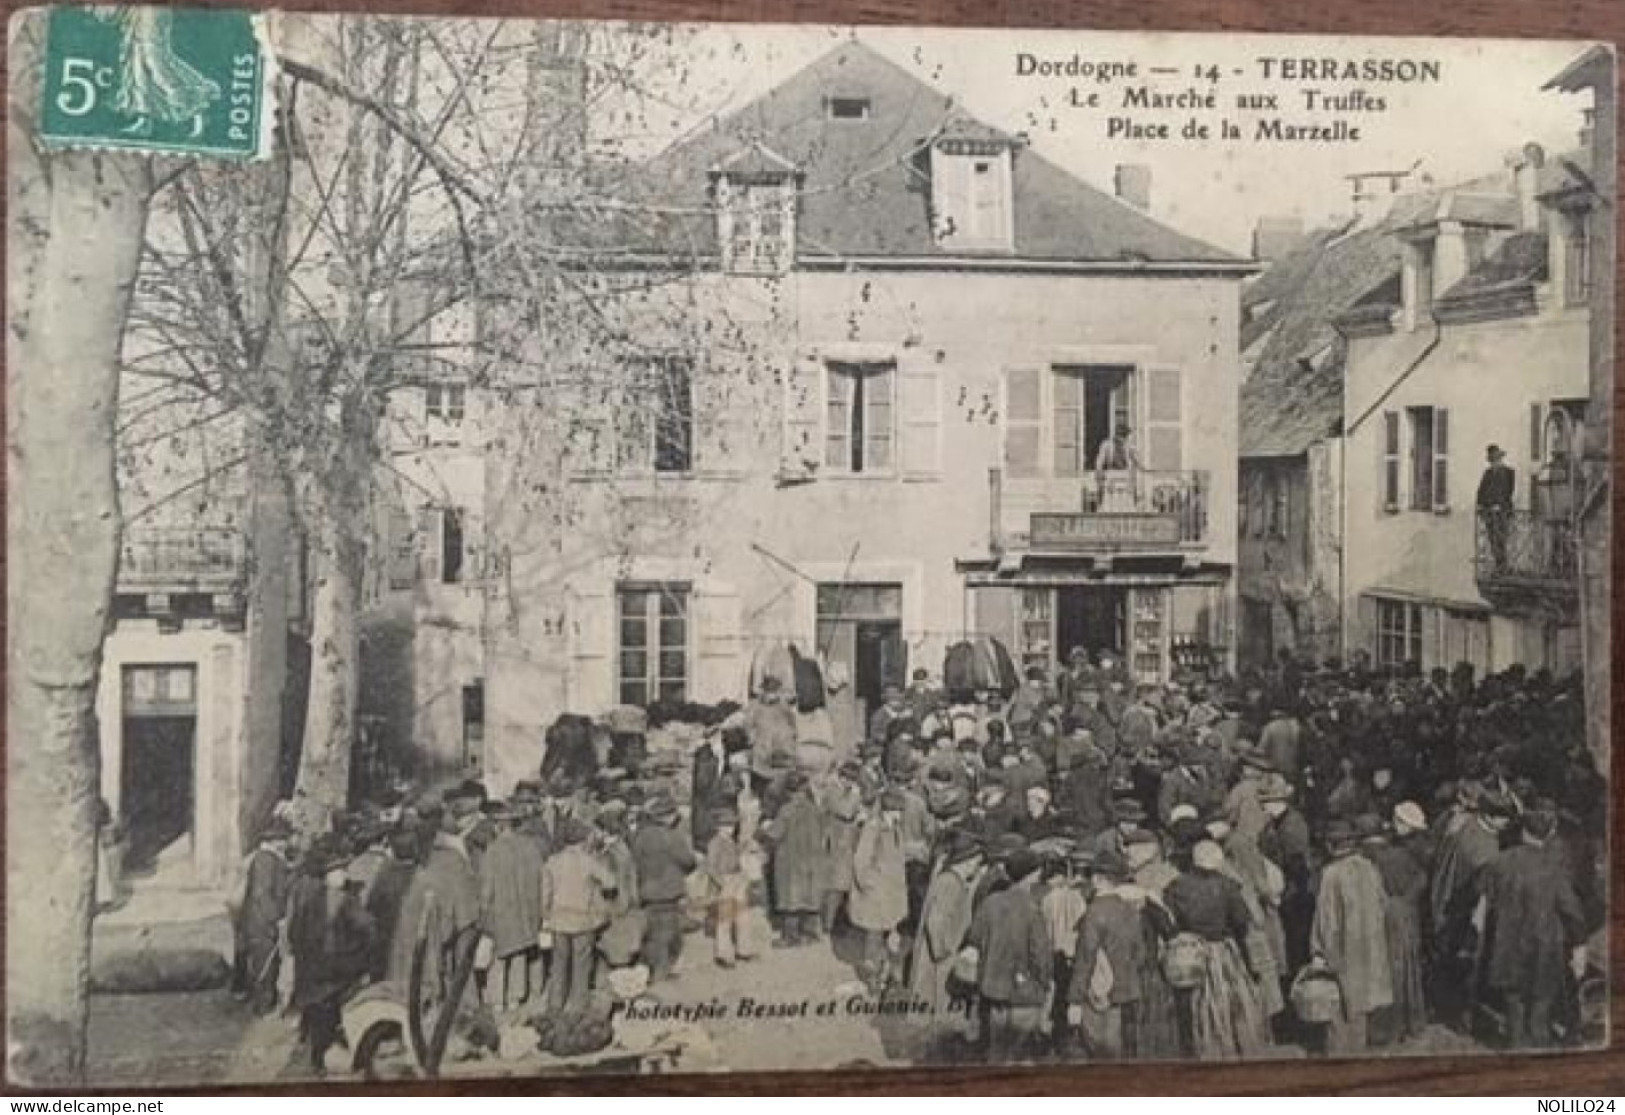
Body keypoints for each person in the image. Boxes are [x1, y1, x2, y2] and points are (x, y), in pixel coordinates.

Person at [1478, 808, 1587, 1049]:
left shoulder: (1499, 862)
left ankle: (1515, 1049)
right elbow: (1572, 910)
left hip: (1507, 946)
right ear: (1549, 834)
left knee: (1513, 1003)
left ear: (1523, 831)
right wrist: (1580, 944)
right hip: (1544, 948)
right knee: (1541, 1005)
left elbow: (1485, 902)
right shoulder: (1554, 868)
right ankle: (1538, 1054)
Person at [1164, 840, 1269, 1061]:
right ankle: (1227, 1048)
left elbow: (1170, 922)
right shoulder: (1228, 886)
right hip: (1221, 952)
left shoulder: (1176, 887)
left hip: (1190, 953)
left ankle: (1202, 1048)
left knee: (1195, 1004)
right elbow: (1241, 921)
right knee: (1230, 1006)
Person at [285, 839, 373, 1076]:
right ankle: (329, 1059)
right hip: (335, 972)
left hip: (313, 971)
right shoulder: (345, 900)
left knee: (317, 1018)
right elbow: (367, 928)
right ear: (329, 875)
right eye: (340, 871)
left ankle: (317, 1059)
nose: (344, 874)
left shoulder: (308, 900)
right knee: (333, 1015)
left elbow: (294, 933)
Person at [1309, 818, 1393, 1056]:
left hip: (1342, 949)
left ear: (1330, 845)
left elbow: (1327, 920)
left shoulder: (1331, 874)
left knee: (1340, 1009)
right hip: (1370, 947)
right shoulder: (1369, 868)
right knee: (1362, 1005)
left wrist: (1319, 951)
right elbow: (1383, 904)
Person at [967, 846, 1053, 1061]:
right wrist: (1044, 983)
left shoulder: (990, 903)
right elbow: (1041, 955)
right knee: (1021, 1054)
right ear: (1032, 875)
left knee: (996, 1050)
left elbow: (974, 940)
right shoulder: (1033, 909)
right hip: (1024, 993)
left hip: (993, 989)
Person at [1360, 810, 1429, 1045]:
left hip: (1382, 917)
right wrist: (1408, 900)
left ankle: (1386, 1028)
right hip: (1406, 916)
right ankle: (1411, 1023)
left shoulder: (1366, 858)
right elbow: (1422, 879)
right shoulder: (1401, 855)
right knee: (1407, 970)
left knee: (1385, 971)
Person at [1067, 851, 1144, 1059]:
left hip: (1099, 993)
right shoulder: (1130, 910)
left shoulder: (1093, 912)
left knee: (1098, 1051)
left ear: (1097, 879)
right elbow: (1141, 953)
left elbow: (1086, 957)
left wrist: (1074, 999)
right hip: (1128, 989)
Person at [540, 818, 617, 1019]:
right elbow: (610, 882)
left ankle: (554, 1005)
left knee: (558, 964)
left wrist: (547, 915)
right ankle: (577, 1006)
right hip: (583, 920)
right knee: (582, 965)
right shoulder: (588, 861)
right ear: (582, 839)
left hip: (559, 920)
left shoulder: (552, 861)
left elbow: (545, 893)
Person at [910, 831, 985, 1017]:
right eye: (976, 862)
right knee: (938, 1006)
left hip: (943, 954)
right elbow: (935, 922)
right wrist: (942, 951)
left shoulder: (951, 879)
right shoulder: (950, 884)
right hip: (941, 959)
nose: (977, 867)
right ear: (967, 861)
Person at [478, 801, 545, 1008]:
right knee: (520, 953)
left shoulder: (493, 851)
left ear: (499, 825)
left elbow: (486, 889)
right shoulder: (531, 847)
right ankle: (517, 997)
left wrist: (482, 911)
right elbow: (541, 878)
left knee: (499, 957)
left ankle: (498, 1000)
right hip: (528, 910)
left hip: (503, 911)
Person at [631, 794, 697, 982]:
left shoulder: (641, 836)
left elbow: (634, 861)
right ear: (668, 816)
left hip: (647, 890)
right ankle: (662, 971)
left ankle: (649, 967)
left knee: (652, 932)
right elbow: (688, 861)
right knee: (668, 932)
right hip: (668, 891)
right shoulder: (672, 836)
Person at [230, 817, 293, 1014]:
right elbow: (262, 894)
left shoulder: (268, 858)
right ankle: (263, 1008)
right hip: (262, 923)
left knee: (265, 963)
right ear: (276, 840)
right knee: (265, 965)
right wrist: (276, 919)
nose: (287, 842)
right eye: (284, 838)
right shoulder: (266, 860)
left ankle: (263, 1003)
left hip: (259, 921)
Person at [850, 789, 909, 992]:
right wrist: (868, 885)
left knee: (888, 935)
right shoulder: (873, 828)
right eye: (896, 811)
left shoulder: (895, 829)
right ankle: (872, 977)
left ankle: (885, 974)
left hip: (891, 892)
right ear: (887, 810)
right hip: (877, 894)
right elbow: (861, 860)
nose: (900, 815)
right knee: (874, 937)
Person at [765, 772, 825, 946]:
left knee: (790, 898)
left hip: (790, 860)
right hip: (811, 859)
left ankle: (790, 936)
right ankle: (810, 933)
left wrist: (762, 832)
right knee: (809, 896)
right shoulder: (813, 809)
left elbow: (775, 834)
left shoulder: (786, 810)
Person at [703, 808, 754, 968]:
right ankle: (723, 954)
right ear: (718, 827)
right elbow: (711, 867)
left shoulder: (732, 842)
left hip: (737, 879)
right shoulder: (714, 843)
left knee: (742, 917)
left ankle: (743, 949)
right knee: (725, 919)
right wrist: (721, 882)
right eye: (726, 825)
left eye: (732, 825)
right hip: (725, 881)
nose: (730, 828)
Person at [1476, 444, 1516, 571]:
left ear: (1501, 459)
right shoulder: (1488, 474)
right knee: (1493, 539)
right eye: (1493, 460)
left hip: (1502, 511)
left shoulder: (1509, 473)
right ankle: (1499, 565)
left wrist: (1501, 505)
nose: (1495, 462)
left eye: (1497, 459)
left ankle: (1503, 565)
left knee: (1502, 538)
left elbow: (1508, 492)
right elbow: (1481, 492)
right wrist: (1483, 506)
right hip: (1490, 512)